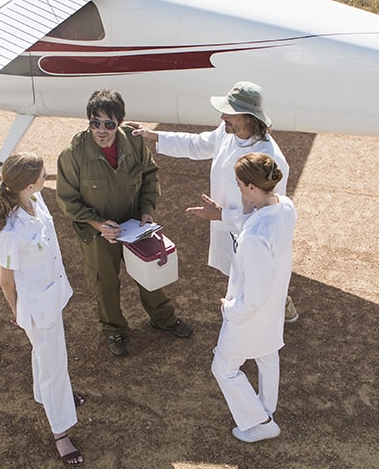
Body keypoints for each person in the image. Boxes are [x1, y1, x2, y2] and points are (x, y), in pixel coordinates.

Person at [131, 81, 298, 322]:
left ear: (249, 117)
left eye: (229, 112)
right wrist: (153, 135)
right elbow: (197, 144)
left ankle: (271, 313)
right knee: (241, 271)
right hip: (229, 226)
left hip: (252, 232)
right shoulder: (227, 132)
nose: (222, 116)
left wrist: (222, 215)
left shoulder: (269, 158)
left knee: (257, 273)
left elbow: (269, 214)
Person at [56, 89, 193, 357]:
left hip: (135, 228)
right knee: (105, 283)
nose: (101, 130)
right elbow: (67, 200)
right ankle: (114, 330)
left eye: (109, 124)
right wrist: (97, 224)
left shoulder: (133, 142)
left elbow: (150, 174)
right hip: (98, 235)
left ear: (120, 122)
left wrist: (146, 210)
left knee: (149, 274)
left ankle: (163, 319)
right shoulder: (72, 155)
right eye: (95, 123)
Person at [0, 152, 84, 465]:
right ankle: (60, 434)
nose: (45, 177)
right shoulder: (10, 234)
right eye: (42, 175)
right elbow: (5, 281)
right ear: (27, 184)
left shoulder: (36, 202)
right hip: (38, 310)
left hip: (51, 296)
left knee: (46, 356)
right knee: (54, 368)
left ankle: (52, 398)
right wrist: (17, 314)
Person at [212, 152, 297, 442]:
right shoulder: (285, 207)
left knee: (223, 368)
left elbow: (255, 295)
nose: (237, 188)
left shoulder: (255, 237)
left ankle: (261, 422)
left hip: (251, 314)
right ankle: (266, 409)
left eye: (238, 184)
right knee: (267, 354)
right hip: (272, 308)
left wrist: (230, 310)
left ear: (251, 187)